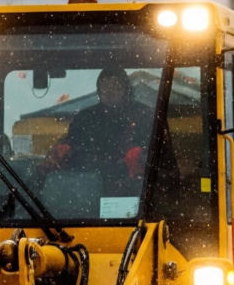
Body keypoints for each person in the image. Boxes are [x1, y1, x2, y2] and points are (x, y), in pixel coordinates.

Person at [42, 64, 155, 192]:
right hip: (87, 185)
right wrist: (62, 150)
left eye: (115, 86)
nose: (109, 91)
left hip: (135, 188)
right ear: (98, 90)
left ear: (126, 89)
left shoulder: (144, 115)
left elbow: (158, 155)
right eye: (105, 86)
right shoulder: (84, 118)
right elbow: (71, 145)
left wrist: (140, 156)